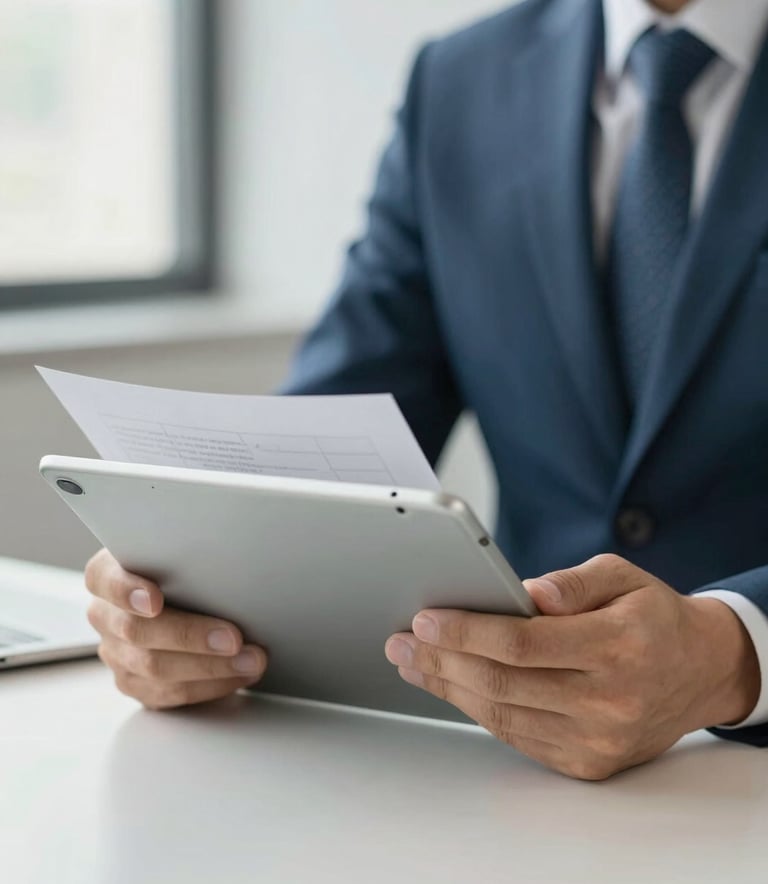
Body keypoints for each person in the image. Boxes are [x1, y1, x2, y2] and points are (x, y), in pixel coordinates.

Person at [84, 0, 768, 780]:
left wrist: (732, 653)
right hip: (513, 765)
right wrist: (190, 574)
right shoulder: (462, 78)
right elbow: (342, 415)